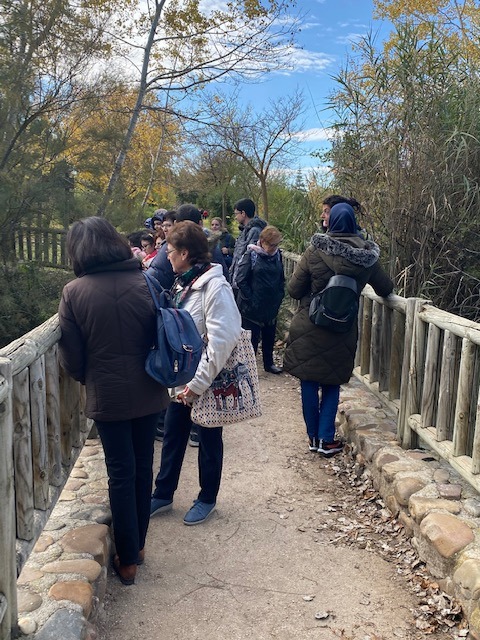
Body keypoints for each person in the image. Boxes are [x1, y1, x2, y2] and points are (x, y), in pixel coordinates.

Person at [57, 217, 170, 586]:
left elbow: (72, 358)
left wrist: (89, 377)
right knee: (143, 467)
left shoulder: (74, 292)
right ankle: (138, 548)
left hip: (108, 394)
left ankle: (127, 557)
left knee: (120, 473)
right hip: (149, 387)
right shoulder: (146, 281)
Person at [283, 203, 393, 456]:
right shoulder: (367, 257)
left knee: (309, 380)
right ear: (354, 223)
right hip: (342, 328)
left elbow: (294, 290)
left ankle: (313, 438)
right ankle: (326, 440)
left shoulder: (315, 249)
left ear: (331, 222)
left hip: (310, 324)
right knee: (332, 382)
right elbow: (386, 289)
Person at [150, 221, 242, 525]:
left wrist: (198, 384)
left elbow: (223, 340)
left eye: (170, 250)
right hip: (184, 379)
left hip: (206, 381)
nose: (167, 255)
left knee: (209, 438)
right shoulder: (185, 282)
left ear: (185, 253)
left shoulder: (215, 286)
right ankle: (163, 493)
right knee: (173, 434)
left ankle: (207, 498)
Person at [236, 225, 285, 374]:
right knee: (251, 340)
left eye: (276, 245)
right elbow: (241, 279)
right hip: (251, 307)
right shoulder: (251, 255)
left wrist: (279, 295)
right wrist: (251, 299)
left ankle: (269, 364)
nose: (273, 248)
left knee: (269, 336)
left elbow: (281, 278)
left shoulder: (278, 256)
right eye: (271, 245)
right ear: (262, 242)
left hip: (271, 304)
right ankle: (248, 368)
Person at [229, 198, 267, 289]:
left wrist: (243, 284)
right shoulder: (245, 230)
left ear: (243, 213)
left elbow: (251, 259)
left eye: (236, 214)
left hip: (246, 284)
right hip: (238, 282)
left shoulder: (255, 231)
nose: (235, 217)